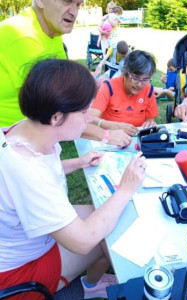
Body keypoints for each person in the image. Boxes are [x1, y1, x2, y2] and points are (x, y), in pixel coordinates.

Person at [0, 58, 147, 300]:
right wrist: (125, 188)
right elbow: (83, 241)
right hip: (18, 273)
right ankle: (94, 286)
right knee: (108, 231)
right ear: (56, 118)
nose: (89, 119)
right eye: (82, 112)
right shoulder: (27, 171)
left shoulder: (24, 131)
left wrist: (77, 162)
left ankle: (91, 286)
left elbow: (42, 171)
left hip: (23, 240)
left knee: (105, 214)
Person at [0, 0, 131, 148]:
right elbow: (60, 108)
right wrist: (107, 134)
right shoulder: (22, 36)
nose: (74, 12)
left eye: (78, 4)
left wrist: (93, 84)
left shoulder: (50, 31)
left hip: (34, 140)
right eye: (67, 1)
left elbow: (70, 91)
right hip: (11, 146)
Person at [90, 50, 159, 137]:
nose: (139, 84)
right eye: (135, 78)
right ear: (124, 72)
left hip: (136, 138)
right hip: (110, 137)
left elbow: (149, 120)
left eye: (145, 79)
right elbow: (91, 118)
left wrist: (148, 125)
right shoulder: (108, 88)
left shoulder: (148, 90)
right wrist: (116, 126)